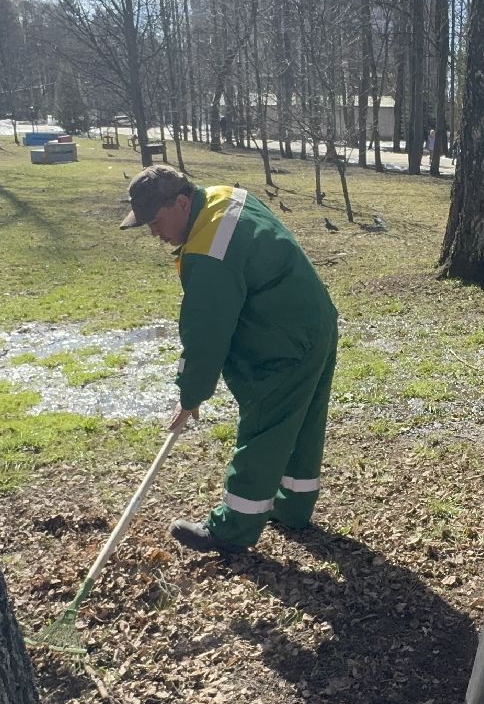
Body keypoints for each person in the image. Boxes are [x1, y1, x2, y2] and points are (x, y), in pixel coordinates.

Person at [119, 165, 339, 552]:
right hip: (315, 321)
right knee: (302, 422)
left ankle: (231, 530)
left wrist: (191, 394)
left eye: (155, 221)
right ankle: (293, 507)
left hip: (281, 343)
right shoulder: (222, 195)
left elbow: (206, 332)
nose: (155, 233)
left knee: (264, 428)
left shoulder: (207, 253)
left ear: (182, 202)